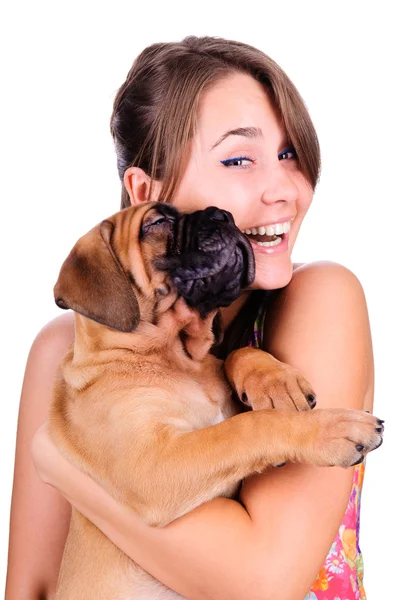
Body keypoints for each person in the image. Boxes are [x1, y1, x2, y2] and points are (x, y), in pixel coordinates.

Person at [5, 36, 375, 600]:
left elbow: (263, 580)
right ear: (145, 193)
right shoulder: (66, 351)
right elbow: (30, 583)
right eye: (238, 159)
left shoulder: (319, 298)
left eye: (289, 153)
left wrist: (62, 460)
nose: (282, 189)